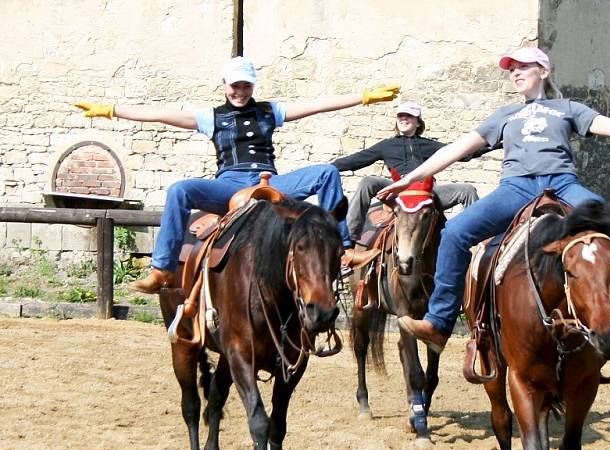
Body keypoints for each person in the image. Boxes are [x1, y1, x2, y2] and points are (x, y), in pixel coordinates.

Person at [377, 46, 610, 357]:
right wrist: (408, 180)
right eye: (512, 69)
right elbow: (456, 149)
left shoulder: (568, 109)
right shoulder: (504, 115)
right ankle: (438, 323)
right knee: (455, 233)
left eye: (523, 67)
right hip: (515, 188)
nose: (515, 73)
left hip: (562, 184)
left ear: (543, 70)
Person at [74, 56, 399, 292]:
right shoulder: (211, 117)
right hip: (229, 184)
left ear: (252, 85)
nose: (240, 91)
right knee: (178, 190)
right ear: (225, 85)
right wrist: (112, 111)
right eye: (235, 85)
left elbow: (319, 105)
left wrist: (365, 97)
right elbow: (160, 115)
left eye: (245, 85)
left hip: (270, 182)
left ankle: (343, 249)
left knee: (327, 172)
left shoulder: (270, 111)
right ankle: (163, 270)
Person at [332, 101, 480, 260]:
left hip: (428, 191)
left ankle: (478, 245)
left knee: (467, 190)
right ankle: (347, 245)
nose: (404, 118)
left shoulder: (429, 145)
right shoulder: (386, 145)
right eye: (400, 115)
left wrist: (493, 142)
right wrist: (327, 168)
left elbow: (463, 153)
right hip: (397, 190)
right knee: (368, 181)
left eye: (409, 115)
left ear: (418, 122)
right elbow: (355, 160)